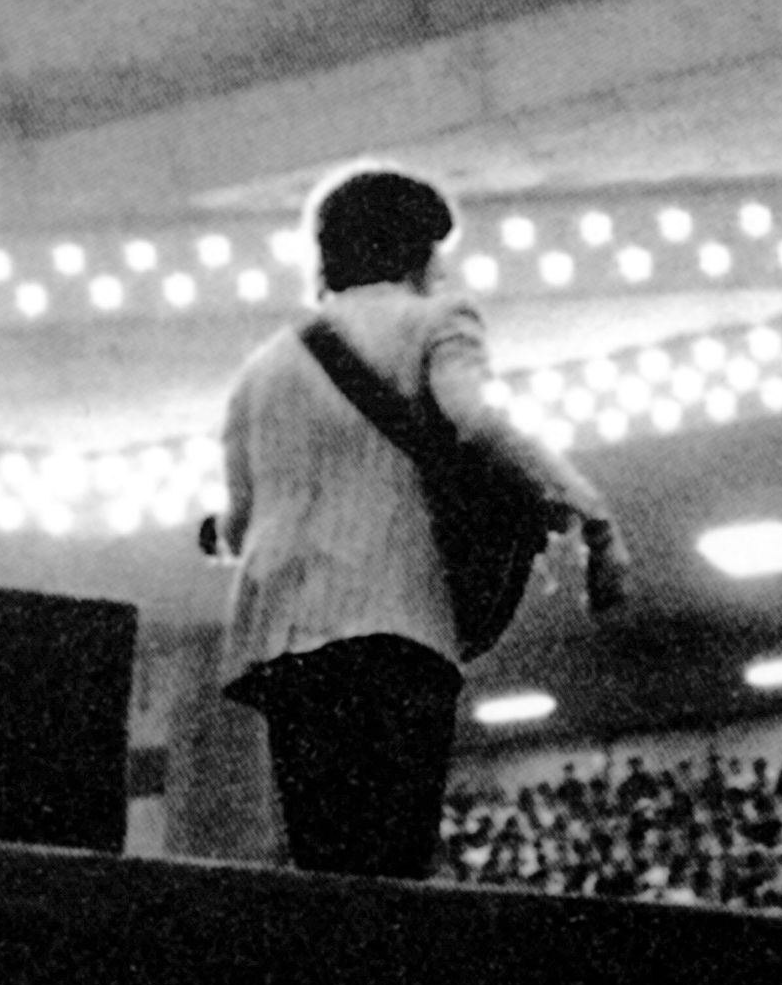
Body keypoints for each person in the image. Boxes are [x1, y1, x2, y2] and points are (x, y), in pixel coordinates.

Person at [213, 161, 623, 880]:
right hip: (393, 619)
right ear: (414, 249)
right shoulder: (435, 319)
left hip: (281, 637)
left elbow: (237, 521)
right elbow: (472, 419)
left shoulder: (261, 367)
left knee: (325, 861)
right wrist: (589, 509)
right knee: (394, 858)